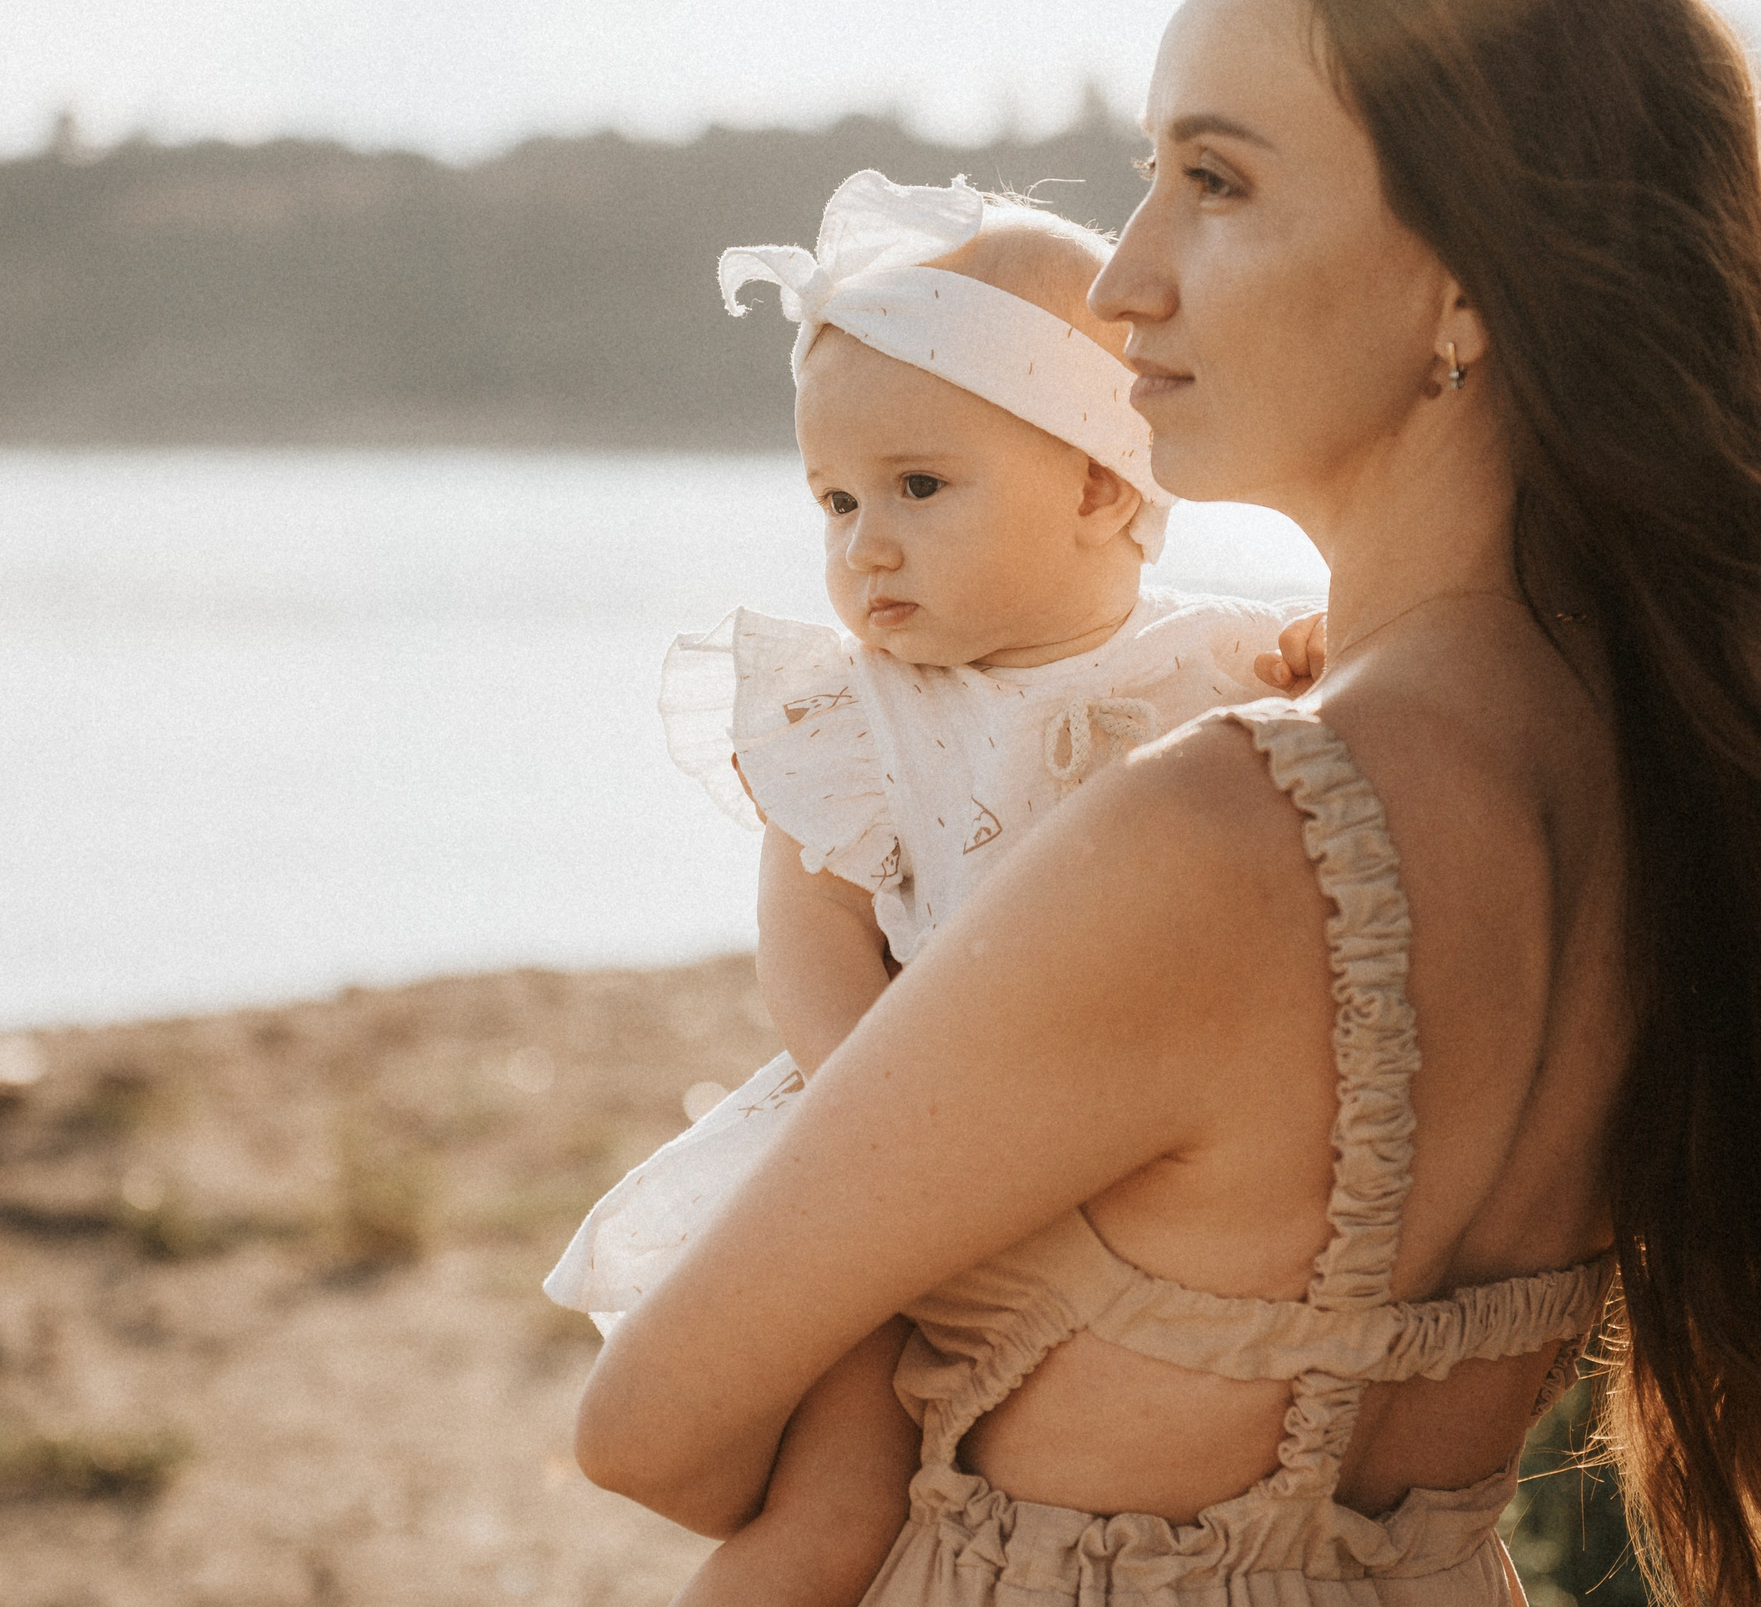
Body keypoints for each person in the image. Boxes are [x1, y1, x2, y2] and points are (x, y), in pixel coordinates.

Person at [575, 0, 1761, 1604]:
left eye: (1217, 180)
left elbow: (650, 1422)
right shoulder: (1677, 784)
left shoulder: (1221, 838)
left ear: (1465, 286)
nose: (1122, 279)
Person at [544, 168, 1325, 1605]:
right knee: (820, 1522)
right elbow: (814, 955)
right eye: (834, 500)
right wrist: (894, 1153)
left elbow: (1307, 802)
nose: (866, 545)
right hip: (875, 1166)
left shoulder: (1217, 662)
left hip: (1105, 1156)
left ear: (1102, 483)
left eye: (918, 486)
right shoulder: (849, 717)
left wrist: (1312, 672)